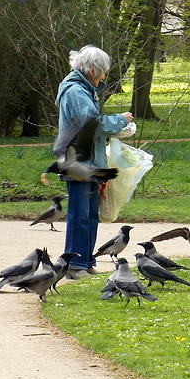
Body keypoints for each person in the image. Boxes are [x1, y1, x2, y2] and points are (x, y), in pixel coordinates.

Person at [53, 45, 133, 279]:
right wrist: (120, 120)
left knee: (89, 214)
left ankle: (85, 262)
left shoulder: (84, 89)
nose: (104, 77)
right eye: (102, 72)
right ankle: (75, 266)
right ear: (91, 70)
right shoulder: (75, 91)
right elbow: (92, 123)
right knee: (79, 215)